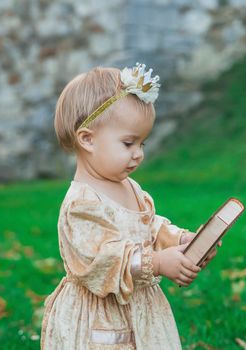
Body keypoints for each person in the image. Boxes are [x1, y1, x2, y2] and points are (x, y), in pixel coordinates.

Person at [41, 63, 220, 349]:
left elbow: (148, 224)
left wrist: (183, 241)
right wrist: (158, 262)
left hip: (139, 304)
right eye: (128, 143)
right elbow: (102, 260)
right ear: (87, 139)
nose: (138, 154)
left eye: (143, 144)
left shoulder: (130, 187)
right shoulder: (81, 204)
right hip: (101, 318)